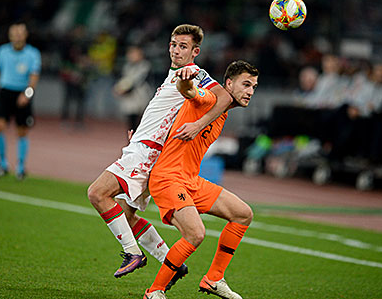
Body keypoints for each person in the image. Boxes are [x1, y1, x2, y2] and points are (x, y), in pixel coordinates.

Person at [86, 24, 232, 288]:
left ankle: (133, 254)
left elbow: (224, 97)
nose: (176, 50)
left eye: (183, 46)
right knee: (127, 218)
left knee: (97, 193)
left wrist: (199, 125)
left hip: (145, 154)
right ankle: (169, 260)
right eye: (174, 45)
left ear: (195, 51)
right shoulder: (172, 74)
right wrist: (142, 134)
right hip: (142, 147)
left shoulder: (194, 74)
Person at [143, 60, 259, 299]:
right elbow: (191, 92)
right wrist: (185, 80)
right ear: (228, 83)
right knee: (195, 234)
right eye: (245, 84)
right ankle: (154, 292)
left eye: (254, 87)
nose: (250, 91)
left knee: (243, 214)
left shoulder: (222, 113)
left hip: (191, 180)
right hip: (168, 177)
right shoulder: (212, 99)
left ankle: (214, 278)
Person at [0, 22, 41, 180]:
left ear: (25, 35)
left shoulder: (33, 54)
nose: (17, 36)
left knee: (22, 131)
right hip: (5, 92)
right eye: (14, 33)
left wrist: (27, 94)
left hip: (22, 92)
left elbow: (34, 78)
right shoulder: (3, 51)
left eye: (20, 33)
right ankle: (3, 163)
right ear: (10, 36)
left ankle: (20, 166)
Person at [113, 45, 151, 131]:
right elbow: (124, 79)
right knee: (131, 121)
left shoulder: (144, 66)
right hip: (130, 97)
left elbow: (138, 81)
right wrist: (119, 88)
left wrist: (124, 89)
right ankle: (132, 140)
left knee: (141, 120)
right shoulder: (127, 66)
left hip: (140, 95)